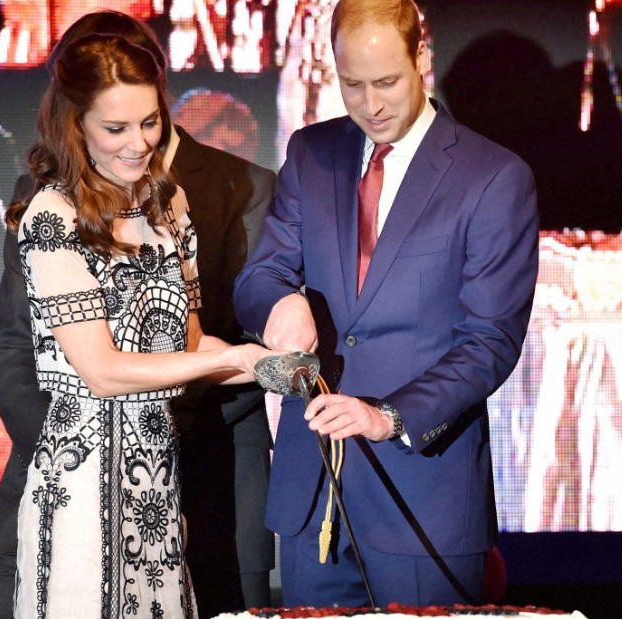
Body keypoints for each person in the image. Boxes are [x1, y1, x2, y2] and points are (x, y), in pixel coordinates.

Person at [0, 11, 277, 619]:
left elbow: (192, 347)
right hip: (79, 491)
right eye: (116, 127)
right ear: (77, 125)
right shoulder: (51, 216)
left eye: (149, 122)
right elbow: (102, 371)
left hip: (156, 489)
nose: (138, 142)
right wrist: (239, 359)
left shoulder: (169, 210)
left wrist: (271, 366)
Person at [233, 0, 539, 607]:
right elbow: (259, 275)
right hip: (312, 490)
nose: (370, 105)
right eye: (352, 85)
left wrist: (388, 416)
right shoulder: (311, 154)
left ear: (422, 57)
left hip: (422, 495)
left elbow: (490, 342)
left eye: (387, 82)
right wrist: (278, 305)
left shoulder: (493, 177)